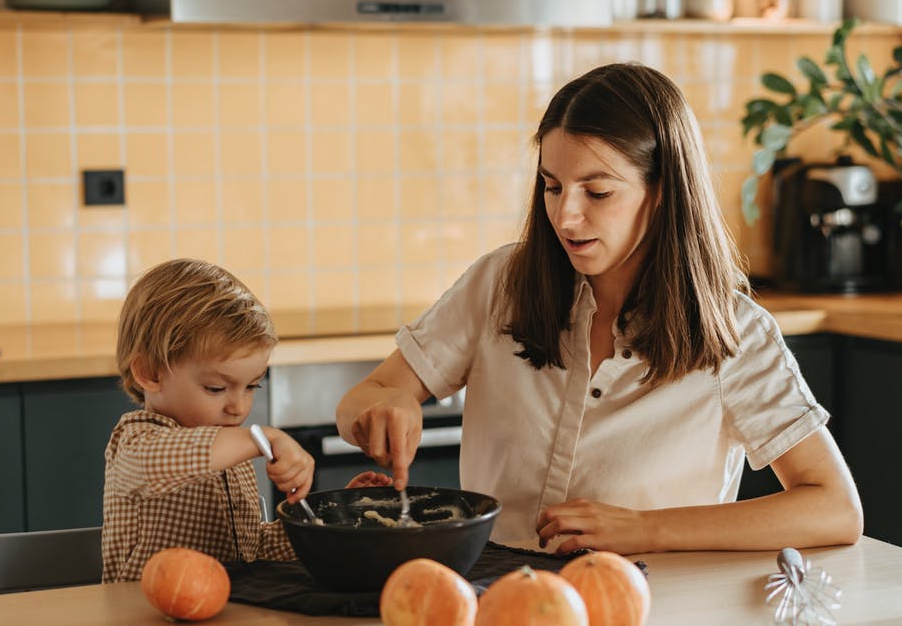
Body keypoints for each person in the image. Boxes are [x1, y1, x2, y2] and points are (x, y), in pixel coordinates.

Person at [335, 63, 863, 555]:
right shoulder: (500, 284)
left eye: (598, 191)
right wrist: (385, 407)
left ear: (663, 193)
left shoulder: (734, 333)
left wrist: (646, 529)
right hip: (498, 597)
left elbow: (834, 507)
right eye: (552, 186)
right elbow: (366, 396)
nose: (566, 216)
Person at [102, 258, 390, 583]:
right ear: (149, 372)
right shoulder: (134, 442)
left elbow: (252, 551)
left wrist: (336, 515)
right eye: (216, 388)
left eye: (252, 386)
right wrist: (261, 437)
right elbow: (161, 462)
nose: (238, 408)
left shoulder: (233, 454)